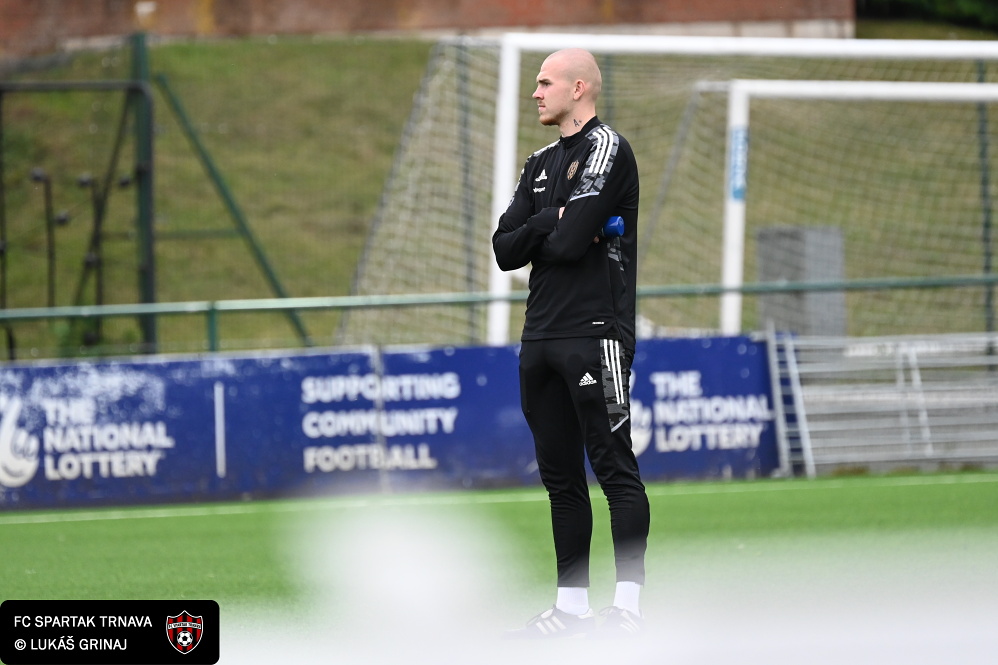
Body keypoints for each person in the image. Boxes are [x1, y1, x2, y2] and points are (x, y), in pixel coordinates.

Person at [492, 48, 649, 638]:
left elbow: (569, 242)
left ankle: (628, 609)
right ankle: (572, 609)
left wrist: (546, 229)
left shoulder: (608, 148)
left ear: (578, 88)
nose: (536, 92)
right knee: (560, 479)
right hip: (540, 336)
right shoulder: (537, 162)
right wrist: (546, 219)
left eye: (545, 82)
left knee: (614, 468)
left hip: (594, 332)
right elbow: (504, 249)